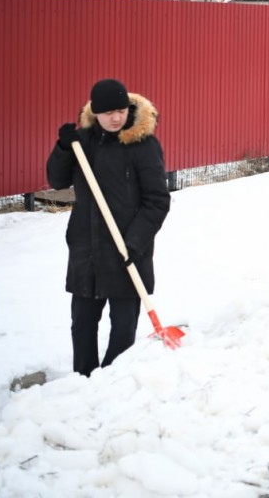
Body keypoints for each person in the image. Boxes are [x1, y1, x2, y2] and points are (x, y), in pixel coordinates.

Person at [46, 79, 170, 377]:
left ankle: (112, 383)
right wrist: (63, 148)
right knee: (83, 324)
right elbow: (57, 181)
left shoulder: (143, 145)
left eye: (120, 111)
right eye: (108, 113)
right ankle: (83, 380)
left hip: (127, 252)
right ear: (95, 113)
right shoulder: (82, 142)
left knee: (124, 328)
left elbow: (157, 201)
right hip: (87, 250)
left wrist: (135, 242)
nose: (116, 118)